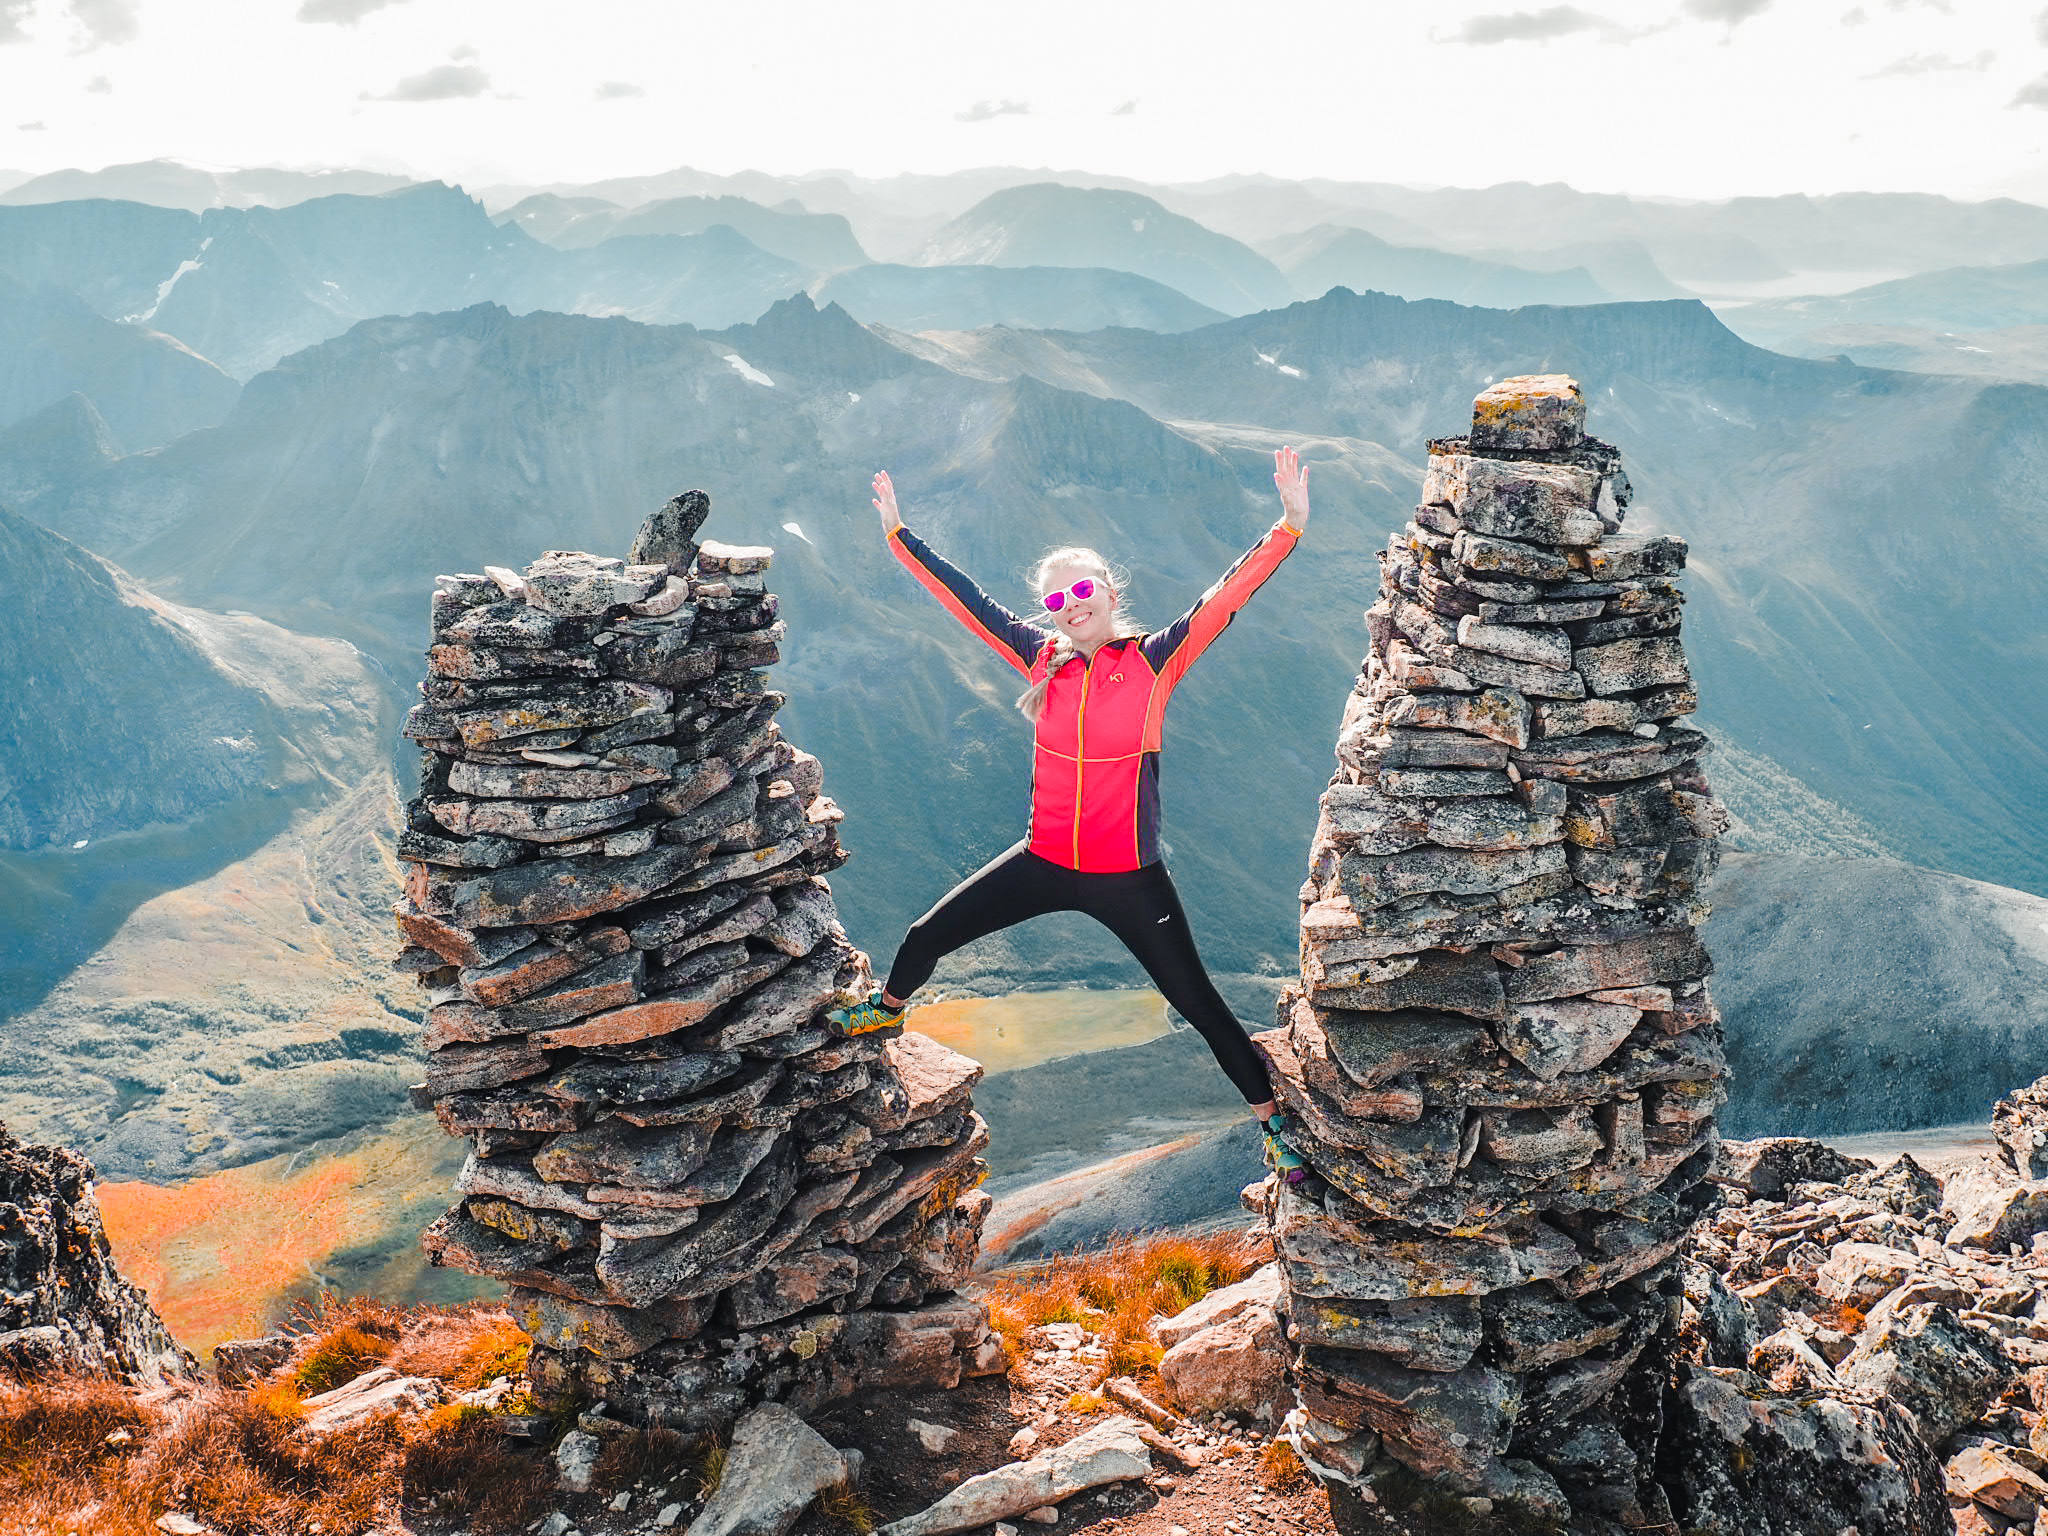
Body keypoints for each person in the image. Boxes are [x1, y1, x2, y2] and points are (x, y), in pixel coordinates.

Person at [827, 449, 1314, 1183]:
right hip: (1045, 860)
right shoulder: (1039, 658)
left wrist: (1289, 526)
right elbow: (967, 602)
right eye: (1056, 600)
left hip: (1129, 879)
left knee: (1200, 1004)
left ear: (1109, 592)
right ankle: (889, 1009)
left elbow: (1224, 596)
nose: (1071, 605)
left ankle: (1273, 1126)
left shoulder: (1154, 662)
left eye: (1081, 590)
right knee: (925, 935)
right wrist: (900, 535)